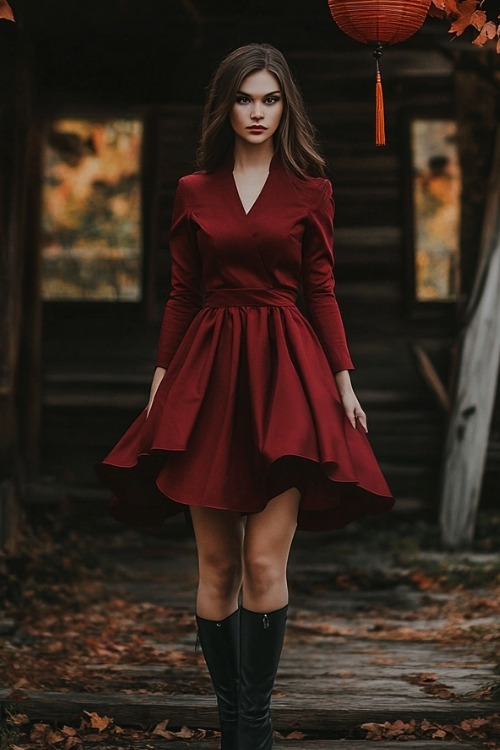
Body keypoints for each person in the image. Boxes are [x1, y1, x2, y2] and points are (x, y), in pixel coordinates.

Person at [96, 43, 393, 750]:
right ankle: (233, 725)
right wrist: (160, 386)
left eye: (270, 99)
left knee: (265, 562)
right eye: (244, 99)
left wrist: (344, 382)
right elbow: (181, 292)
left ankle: (252, 726)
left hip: (289, 375)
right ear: (224, 106)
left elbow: (320, 290)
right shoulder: (195, 189)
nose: (257, 112)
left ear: (285, 106)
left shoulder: (312, 189)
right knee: (219, 567)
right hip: (209, 375)